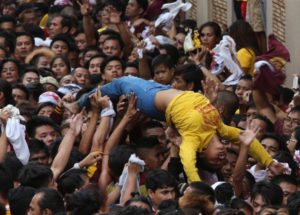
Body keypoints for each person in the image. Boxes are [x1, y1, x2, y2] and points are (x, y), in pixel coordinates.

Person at [71, 76, 285, 183]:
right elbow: (248, 138)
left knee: (119, 84)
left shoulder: (192, 140)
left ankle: (79, 102)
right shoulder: (220, 129)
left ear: (202, 152)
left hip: (150, 99)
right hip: (170, 92)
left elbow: (190, 168)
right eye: (218, 160)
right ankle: (82, 102)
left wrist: (197, 187)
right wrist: (270, 162)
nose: (220, 156)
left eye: (213, 160)